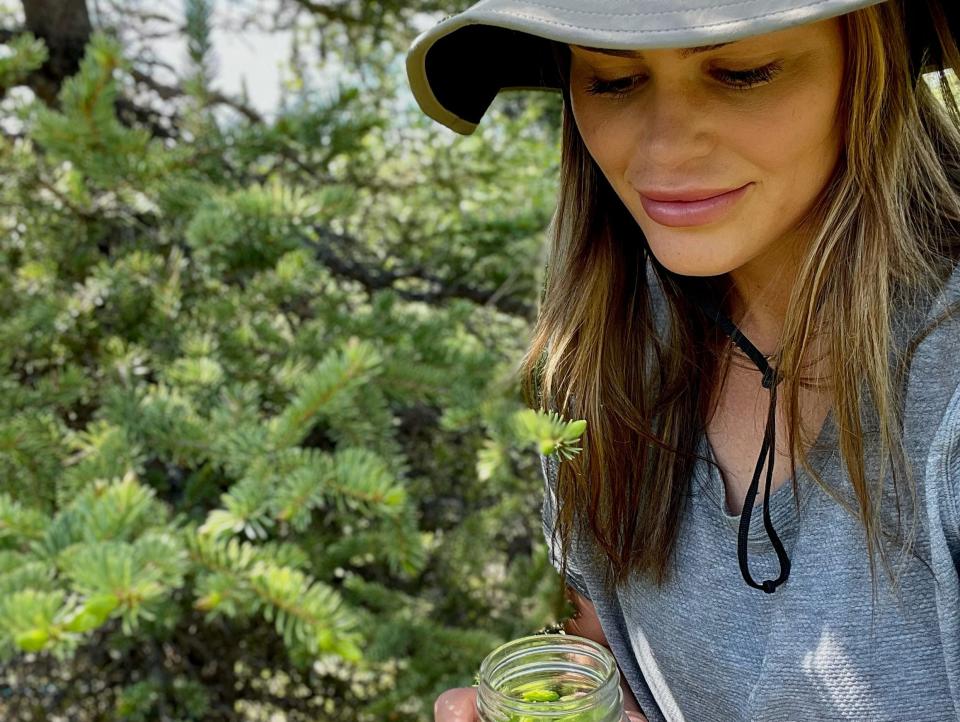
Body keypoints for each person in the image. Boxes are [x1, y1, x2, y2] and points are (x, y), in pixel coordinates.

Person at [406, 1, 960, 720]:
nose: (663, 149)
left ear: (872, 67)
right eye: (610, 80)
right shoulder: (607, 350)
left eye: (743, 71)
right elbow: (605, 648)